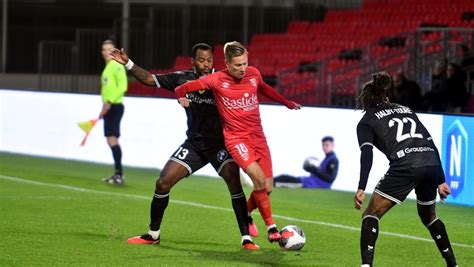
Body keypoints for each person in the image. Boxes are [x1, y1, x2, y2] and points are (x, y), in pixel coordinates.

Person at [109, 43, 259, 250]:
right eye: (201, 60)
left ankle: (246, 239)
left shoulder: (223, 78)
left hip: (220, 145)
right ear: (193, 61)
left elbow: (246, 87)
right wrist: (128, 64)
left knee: (234, 182)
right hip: (195, 145)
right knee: (162, 183)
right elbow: (150, 79)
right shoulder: (182, 78)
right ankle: (153, 235)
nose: (206, 65)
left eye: (209, 60)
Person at [175, 41, 302, 242]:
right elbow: (182, 88)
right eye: (237, 65)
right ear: (226, 62)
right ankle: (272, 228)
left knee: (267, 188)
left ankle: (247, 214)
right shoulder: (215, 79)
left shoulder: (253, 74)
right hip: (236, 139)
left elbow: (265, 88)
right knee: (258, 180)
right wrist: (181, 98)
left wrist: (286, 103)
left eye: (244, 63)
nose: (242, 69)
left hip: (258, 137)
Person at [354, 71, 457, 267]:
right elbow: (429, 141)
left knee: (371, 214)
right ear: (386, 96)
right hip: (430, 163)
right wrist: (441, 179)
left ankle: (366, 265)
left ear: (366, 101)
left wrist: (361, 187)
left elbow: (367, 154)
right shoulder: (407, 110)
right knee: (429, 217)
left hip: (406, 165)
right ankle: (453, 265)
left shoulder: (366, 120)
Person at [100, 40, 128, 185]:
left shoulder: (117, 65)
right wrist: (104, 106)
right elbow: (107, 88)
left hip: (115, 106)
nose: (106, 52)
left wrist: (109, 102)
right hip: (109, 107)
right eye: (104, 49)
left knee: (112, 139)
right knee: (111, 140)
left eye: (110, 49)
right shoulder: (108, 67)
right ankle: (118, 174)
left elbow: (123, 86)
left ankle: (119, 174)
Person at [273, 136, 339, 189]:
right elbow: (320, 173)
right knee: (283, 177)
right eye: (323, 145)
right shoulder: (327, 158)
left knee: (282, 179)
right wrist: (311, 169)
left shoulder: (333, 160)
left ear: (333, 145)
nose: (324, 147)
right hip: (308, 181)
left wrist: (314, 169)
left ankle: (267, 185)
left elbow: (330, 178)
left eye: (327, 145)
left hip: (312, 185)